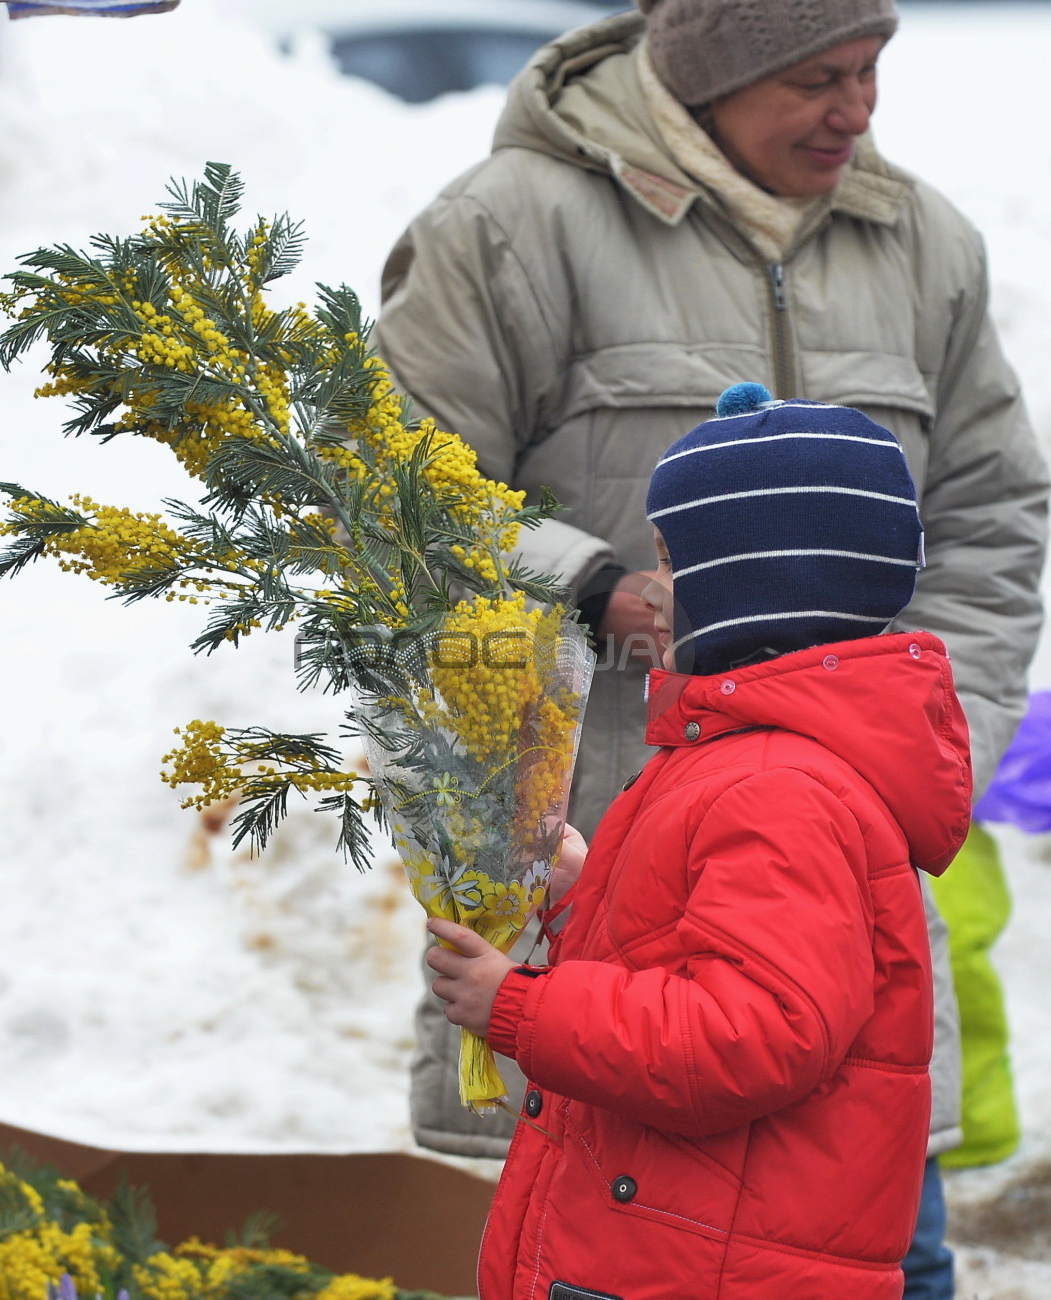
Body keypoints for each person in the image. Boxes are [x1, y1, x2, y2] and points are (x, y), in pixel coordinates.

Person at [375, 1, 1049, 1293]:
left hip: (802, 893)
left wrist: (898, 738)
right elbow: (395, 494)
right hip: (599, 902)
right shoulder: (511, 227)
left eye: (871, 71)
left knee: (859, 1233)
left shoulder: (921, 239)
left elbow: (996, 509)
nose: (857, 110)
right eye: (815, 78)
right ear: (704, 73)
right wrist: (592, 585)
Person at [427, 385, 972, 1300]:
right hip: (684, 1243)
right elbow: (728, 946)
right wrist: (595, 886)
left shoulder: (778, 786)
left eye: (675, 563)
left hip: (708, 1265)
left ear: (755, 584)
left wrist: (521, 1009)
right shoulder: (748, 760)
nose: (654, 589)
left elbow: (754, 1031)